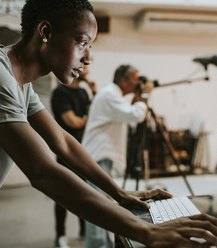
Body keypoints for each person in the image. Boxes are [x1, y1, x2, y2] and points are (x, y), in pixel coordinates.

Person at [0, 0, 217, 248]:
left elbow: (61, 142)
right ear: (46, 32)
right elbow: (42, 171)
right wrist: (145, 231)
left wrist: (118, 192)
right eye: (82, 42)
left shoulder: (20, 86)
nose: (88, 57)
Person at [81, 64, 153, 247]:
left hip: (100, 156)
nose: (139, 82)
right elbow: (135, 115)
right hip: (99, 157)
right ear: (124, 80)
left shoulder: (112, 94)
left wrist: (139, 98)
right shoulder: (109, 94)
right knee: (98, 208)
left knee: (103, 206)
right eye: (136, 78)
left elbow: (131, 116)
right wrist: (144, 96)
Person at [50, 67, 96, 248]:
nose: (87, 69)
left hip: (85, 150)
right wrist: (88, 119)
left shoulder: (84, 92)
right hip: (66, 151)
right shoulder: (60, 92)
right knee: (63, 194)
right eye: (84, 67)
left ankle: (84, 228)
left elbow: (90, 114)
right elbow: (72, 121)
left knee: (85, 191)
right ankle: (60, 235)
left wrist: (93, 91)